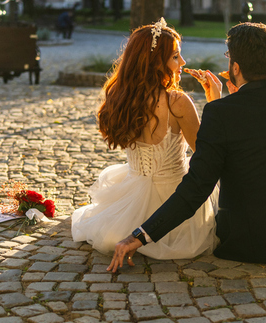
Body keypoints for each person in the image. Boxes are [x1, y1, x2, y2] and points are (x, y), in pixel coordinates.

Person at [106, 22, 266, 271]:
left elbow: (196, 188)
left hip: (244, 242)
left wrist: (138, 236)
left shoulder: (220, 112)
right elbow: (265, 135)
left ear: (235, 67)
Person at [72, 19, 222, 260]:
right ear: (155, 63)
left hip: (129, 199)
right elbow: (206, 152)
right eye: (175, 57)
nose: (182, 62)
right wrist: (216, 104)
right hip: (174, 204)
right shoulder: (177, 103)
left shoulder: (122, 99)